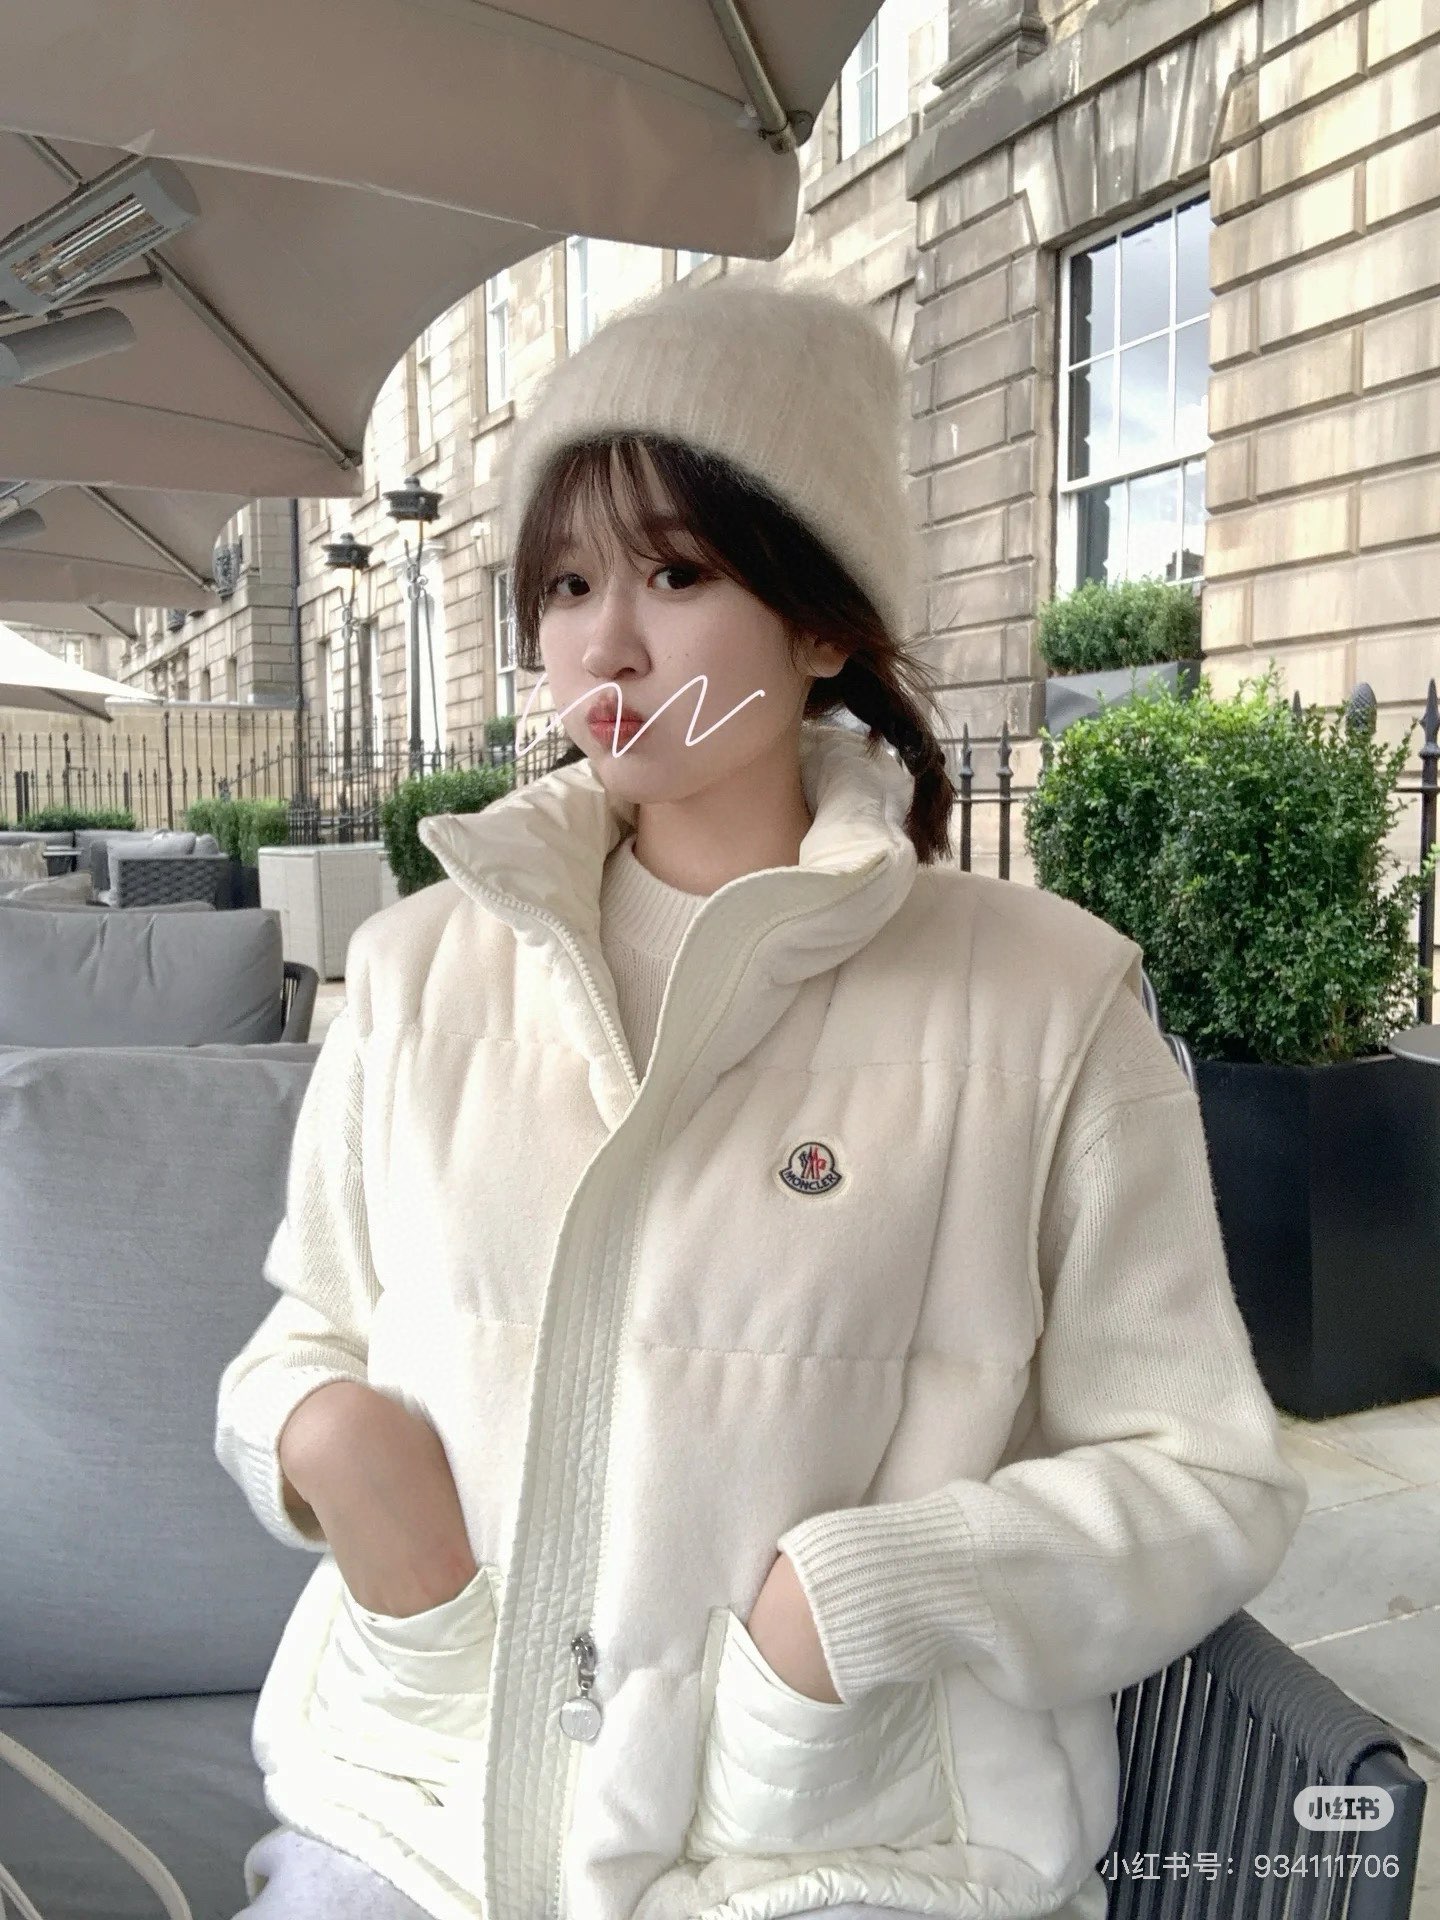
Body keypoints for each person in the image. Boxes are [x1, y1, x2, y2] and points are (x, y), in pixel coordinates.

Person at [215, 277, 1307, 1920]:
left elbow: (1206, 1480)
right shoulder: (420, 970)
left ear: (821, 623)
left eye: (677, 573)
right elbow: (307, 1332)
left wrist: (850, 1607)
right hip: (417, 1811)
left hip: (839, 1851)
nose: (607, 644)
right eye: (567, 583)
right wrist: (332, 1454)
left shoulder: (1045, 1001)